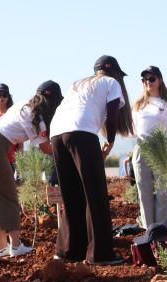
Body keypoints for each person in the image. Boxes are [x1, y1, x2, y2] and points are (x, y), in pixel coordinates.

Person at [50, 55, 134, 265]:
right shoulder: (112, 82)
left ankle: (68, 251)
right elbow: (112, 115)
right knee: (95, 194)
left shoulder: (79, 83)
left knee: (72, 195)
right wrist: (110, 140)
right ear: (115, 71)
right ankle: (100, 254)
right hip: (82, 133)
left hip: (57, 133)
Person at [0, 80, 63, 257]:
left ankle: (1, 248)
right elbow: (46, 149)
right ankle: (15, 245)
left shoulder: (23, 105)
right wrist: (64, 147)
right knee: (10, 196)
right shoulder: (37, 119)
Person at [131, 65, 167, 229]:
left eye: (151, 79)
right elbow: (132, 130)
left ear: (159, 80)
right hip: (142, 147)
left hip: (162, 147)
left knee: (164, 192)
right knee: (144, 192)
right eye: (144, 79)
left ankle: (161, 231)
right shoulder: (138, 104)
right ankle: (149, 231)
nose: (148, 82)